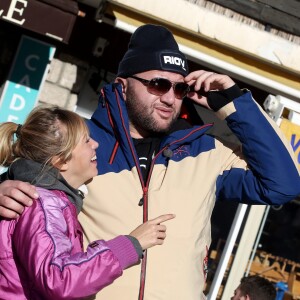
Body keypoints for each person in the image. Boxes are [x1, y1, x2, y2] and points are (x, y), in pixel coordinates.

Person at [0, 24, 299, 299]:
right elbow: (31, 202)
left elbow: (283, 184)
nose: (170, 98)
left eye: (180, 88)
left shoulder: (205, 150)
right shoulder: (83, 146)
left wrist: (236, 104)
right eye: (158, 84)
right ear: (124, 85)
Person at [0, 106, 174, 299]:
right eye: (86, 141)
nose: (96, 144)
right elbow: (59, 279)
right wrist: (130, 244)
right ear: (61, 160)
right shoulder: (44, 205)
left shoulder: (47, 200)